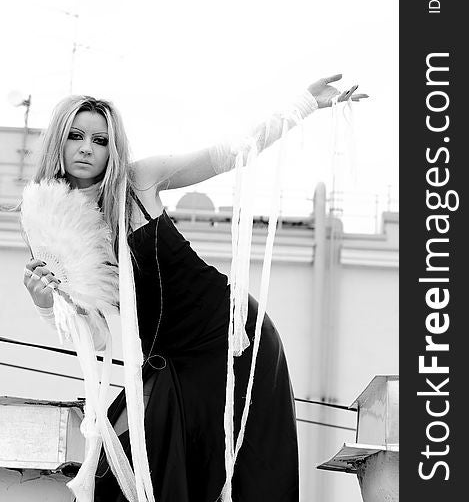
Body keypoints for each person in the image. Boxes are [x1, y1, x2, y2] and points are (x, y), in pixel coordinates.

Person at [23, 75, 367, 502]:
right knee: (126, 467)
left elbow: (226, 154)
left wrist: (303, 104)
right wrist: (44, 306)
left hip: (230, 335)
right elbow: (95, 336)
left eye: (100, 139)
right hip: (166, 357)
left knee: (243, 471)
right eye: (76, 136)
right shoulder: (47, 224)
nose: (87, 148)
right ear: (59, 140)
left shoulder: (138, 182)